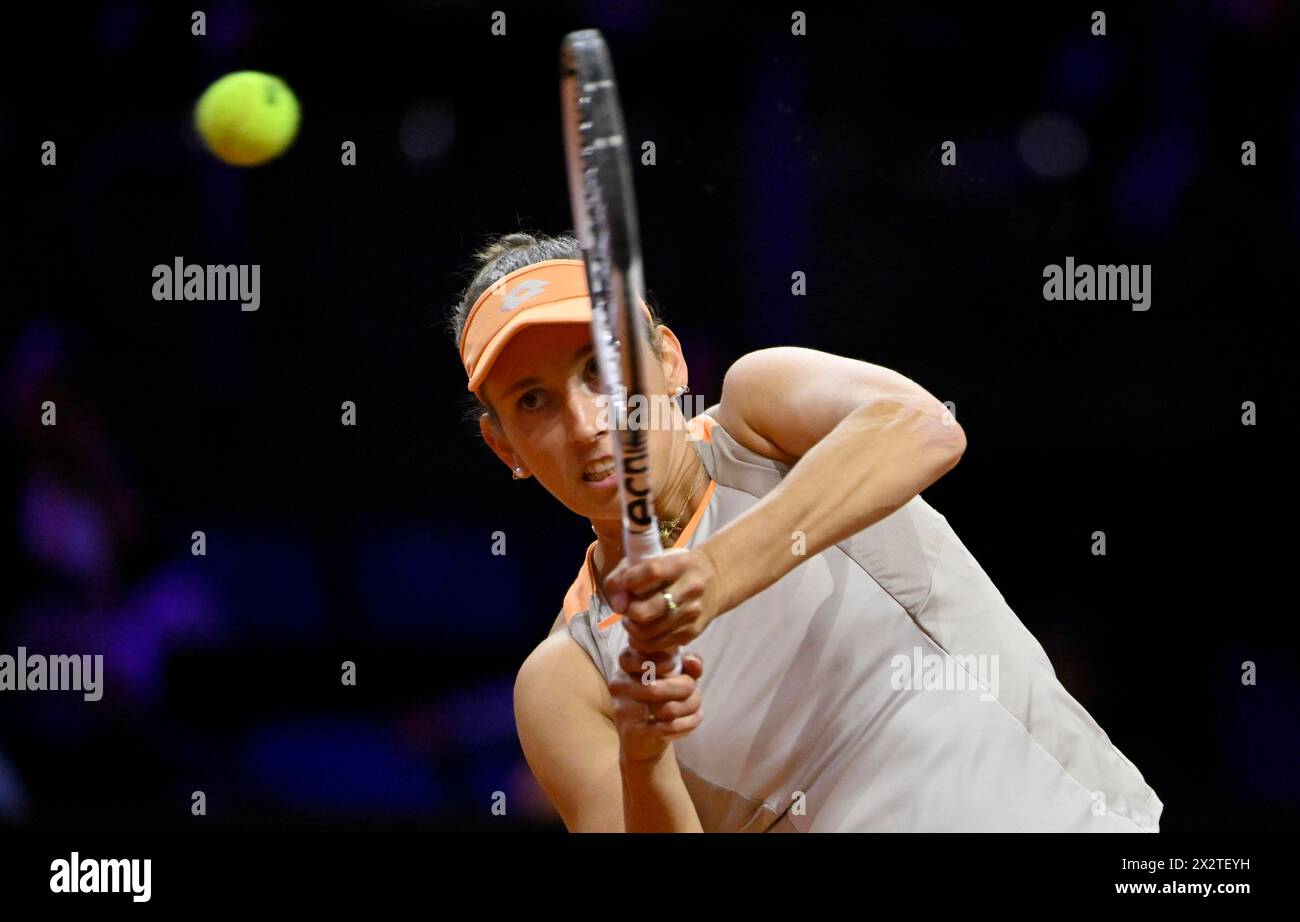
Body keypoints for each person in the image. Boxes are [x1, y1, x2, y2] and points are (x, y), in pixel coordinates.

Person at [450, 231, 1164, 833]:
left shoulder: (761, 417)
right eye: (533, 401)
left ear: (668, 361)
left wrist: (716, 573)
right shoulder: (567, 681)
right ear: (504, 446)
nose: (584, 423)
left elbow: (924, 428)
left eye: (600, 369)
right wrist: (646, 757)